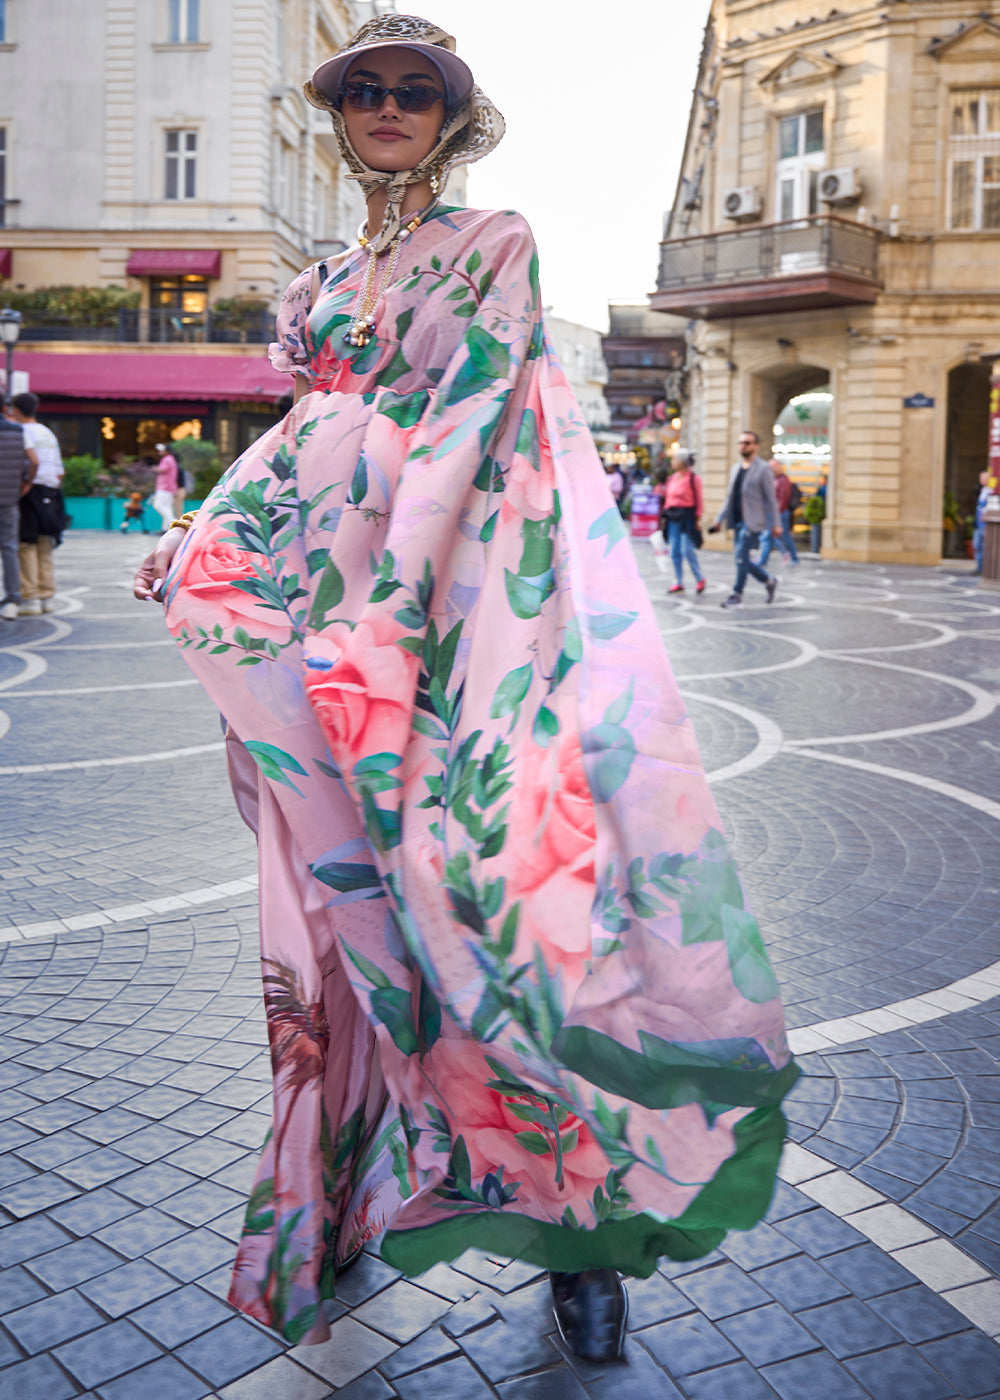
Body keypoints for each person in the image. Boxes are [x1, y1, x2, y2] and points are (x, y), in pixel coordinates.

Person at [133, 14, 797, 1364]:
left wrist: (387, 616)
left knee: (507, 922)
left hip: (456, 636)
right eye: (363, 89)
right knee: (337, 929)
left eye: (413, 90)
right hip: (315, 641)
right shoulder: (318, 285)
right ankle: (338, 1207)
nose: (386, 106)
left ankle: (581, 1246)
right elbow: (302, 442)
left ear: (453, 116)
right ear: (340, 112)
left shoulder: (493, 244)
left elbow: (480, 421)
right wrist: (206, 542)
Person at [708, 430, 779, 608]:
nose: (743, 446)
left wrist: (777, 524)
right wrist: (718, 519)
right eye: (741, 442)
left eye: (747, 443)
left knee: (741, 557)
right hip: (736, 520)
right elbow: (729, 497)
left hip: (753, 521)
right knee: (741, 559)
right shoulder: (735, 468)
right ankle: (768, 581)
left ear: (756, 446)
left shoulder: (763, 469)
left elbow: (771, 499)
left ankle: (736, 594)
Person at [9, 392, 65, 615]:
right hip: (52, 492)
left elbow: (33, 461)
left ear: (17, 410)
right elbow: (60, 471)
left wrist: (27, 484)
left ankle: (30, 597)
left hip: (32, 491)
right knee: (45, 544)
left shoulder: (22, 431)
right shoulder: (47, 432)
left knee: (26, 545)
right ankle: (46, 596)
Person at [0, 407, 32, 621]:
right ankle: (12, 599)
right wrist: (26, 482)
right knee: (10, 548)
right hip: (9, 497)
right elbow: (33, 460)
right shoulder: (18, 431)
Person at [660, 450, 705, 595]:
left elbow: (699, 500)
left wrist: (698, 519)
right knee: (674, 551)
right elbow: (668, 498)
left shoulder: (694, 478)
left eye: (674, 459)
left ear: (682, 461)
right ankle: (678, 581)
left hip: (687, 517)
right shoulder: (672, 478)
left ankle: (699, 578)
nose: (672, 462)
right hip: (673, 517)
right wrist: (664, 516)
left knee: (687, 550)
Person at [758, 458, 799, 569]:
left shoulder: (783, 480)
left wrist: (775, 516)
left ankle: (793, 557)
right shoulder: (772, 479)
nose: (771, 468)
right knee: (768, 537)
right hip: (773, 513)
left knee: (783, 536)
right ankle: (763, 559)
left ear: (779, 466)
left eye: (773, 466)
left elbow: (782, 499)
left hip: (780, 514)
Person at [151, 443, 179, 532]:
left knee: (158, 505)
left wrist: (155, 468)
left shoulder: (167, 459)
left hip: (165, 487)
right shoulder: (171, 459)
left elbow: (162, 469)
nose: (159, 452)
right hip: (170, 487)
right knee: (167, 507)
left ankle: (173, 521)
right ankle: (166, 528)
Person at [973, 470, 991, 576]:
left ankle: (985, 569)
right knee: (977, 545)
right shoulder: (980, 490)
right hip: (978, 524)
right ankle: (979, 568)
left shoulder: (991, 491)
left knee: (986, 547)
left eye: (985, 478)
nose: (983, 480)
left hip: (985, 525)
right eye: (981, 478)